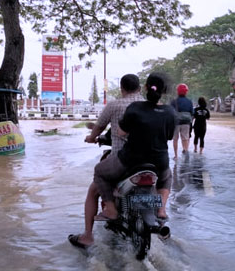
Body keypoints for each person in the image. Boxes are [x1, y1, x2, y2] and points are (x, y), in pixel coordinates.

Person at [69, 73, 176, 249]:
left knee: (99, 173)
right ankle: (161, 210)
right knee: (167, 177)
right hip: (158, 163)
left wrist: (93, 137)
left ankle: (94, 228)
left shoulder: (131, 107)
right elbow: (170, 136)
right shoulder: (169, 111)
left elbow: (118, 132)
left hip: (129, 161)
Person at [69, 74, 143, 249]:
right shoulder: (150, 106)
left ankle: (88, 235)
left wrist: (91, 137)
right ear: (139, 88)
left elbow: (99, 126)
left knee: (94, 187)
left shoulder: (115, 105)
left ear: (122, 89)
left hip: (122, 160)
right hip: (150, 160)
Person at [170, 83, 193, 159]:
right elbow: (192, 112)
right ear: (186, 92)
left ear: (178, 91)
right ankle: (185, 151)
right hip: (186, 122)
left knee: (175, 139)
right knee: (185, 138)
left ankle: (176, 155)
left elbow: (170, 112)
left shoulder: (174, 101)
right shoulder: (189, 101)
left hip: (176, 123)